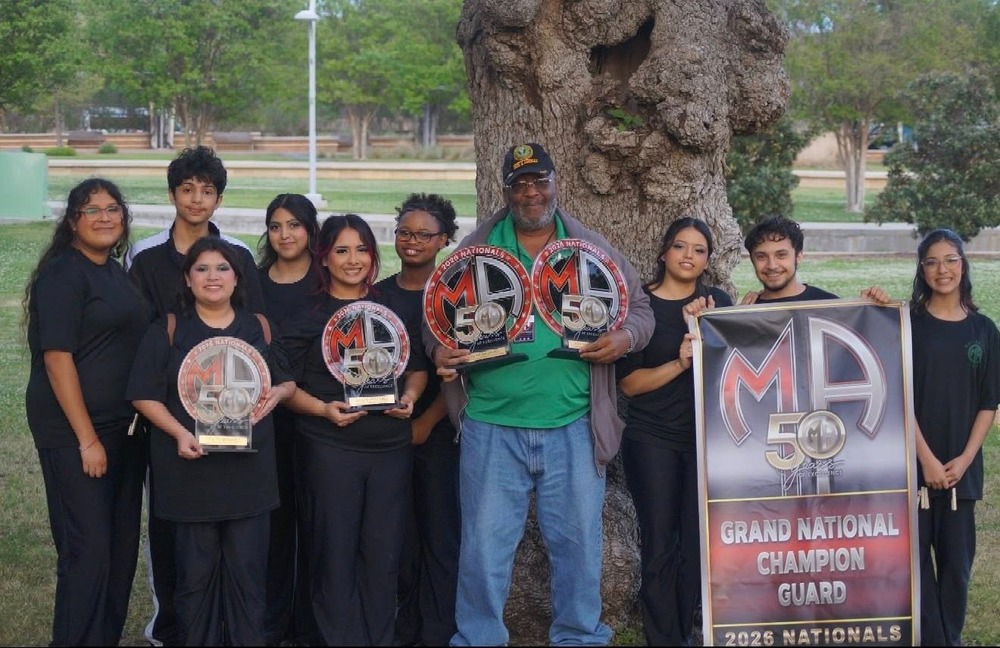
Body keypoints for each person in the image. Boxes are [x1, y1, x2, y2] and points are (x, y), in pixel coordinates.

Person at [428, 142, 654, 646]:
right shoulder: (476, 250)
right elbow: (438, 321)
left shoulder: (590, 247)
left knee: (578, 547)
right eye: (520, 184)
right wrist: (440, 350)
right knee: (484, 552)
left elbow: (639, 310)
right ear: (505, 190)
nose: (531, 192)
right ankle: (479, 639)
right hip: (491, 423)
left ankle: (578, 638)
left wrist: (623, 338)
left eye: (540, 181)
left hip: (573, 423)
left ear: (555, 184)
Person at [127, 145, 265, 646]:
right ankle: (171, 629)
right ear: (172, 194)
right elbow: (137, 337)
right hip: (170, 421)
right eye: (187, 190)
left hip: (233, 417)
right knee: (174, 532)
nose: (196, 200)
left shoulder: (238, 254)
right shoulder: (143, 256)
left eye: (207, 191)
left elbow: (258, 336)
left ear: (219, 198)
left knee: (239, 540)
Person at [127, 237, 295, 646]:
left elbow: (287, 381)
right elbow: (143, 394)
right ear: (187, 278)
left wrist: (279, 394)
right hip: (190, 476)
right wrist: (181, 433)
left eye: (222, 268)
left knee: (248, 580)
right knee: (193, 581)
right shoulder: (168, 328)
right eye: (201, 269)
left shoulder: (259, 326)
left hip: (249, 478)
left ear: (238, 278)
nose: (212, 277)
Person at [281, 214, 428, 645]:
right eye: (341, 251)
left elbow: (416, 369)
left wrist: (412, 399)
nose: (353, 260)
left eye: (361, 249)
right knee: (334, 554)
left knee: (383, 557)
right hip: (330, 449)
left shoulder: (394, 309)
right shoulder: (308, 314)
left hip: (390, 450)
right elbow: (282, 385)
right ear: (323, 258)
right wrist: (323, 409)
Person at [23, 178, 147, 646]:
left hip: (125, 431)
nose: (104, 217)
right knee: (87, 552)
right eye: (91, 210)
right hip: (77, 435)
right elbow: (57, 359)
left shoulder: (115, 272)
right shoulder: (63, 274)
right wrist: (87, 439)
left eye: (112, 208)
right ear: (73, 220)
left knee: (118, 553)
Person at [616, 217, 732, 645]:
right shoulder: (641, 307)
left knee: (697, 546)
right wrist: (680, 361)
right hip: (652, 441)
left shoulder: (717, 302)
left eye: (699, 250)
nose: (688, 256)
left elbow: (739, 367)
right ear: (664, 251)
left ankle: (690, 631)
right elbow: (629, 385)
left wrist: (708, 331)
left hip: (708, 442)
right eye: (681, 247)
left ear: (707, 260)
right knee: (661, 544)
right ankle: (662, 637)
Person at [374, 193, 461, 646]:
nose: (412, 242)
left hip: (439, 431)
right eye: (405, 233)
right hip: (386, 435)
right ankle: (400, 629)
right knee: (399, 538)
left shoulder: (452, 295)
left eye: (424, 235)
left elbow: (465, 372)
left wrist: (426, 422)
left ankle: (438, 632)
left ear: (443, 240)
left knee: (441, 536)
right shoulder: (379, 295)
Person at [909, 229, 999, 646]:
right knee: (916, 568)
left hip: (962, 472)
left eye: (950, 259)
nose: (941, 270)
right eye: (931, 261)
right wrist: (925, 460)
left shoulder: (984, 329)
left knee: (957, 568)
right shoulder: (907, 323)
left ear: (963, 264)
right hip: (913, 469)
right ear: (921, 269)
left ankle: (952, 640)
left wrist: (963, 459)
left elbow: (988, 403)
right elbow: (897, 398)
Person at [255, 193, 321, 645]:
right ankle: (272, 622)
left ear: (311, 231)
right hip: (266, 423)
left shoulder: (327, 282)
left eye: (294, 225)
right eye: (276, 226)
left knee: (317, 524)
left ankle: (312, 624)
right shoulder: (252, 284)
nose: (285, 235)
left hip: (319, 421)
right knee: (274, 528)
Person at [740, 215, 887, 304]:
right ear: (752, 260)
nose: (772, 265)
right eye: (761, 257)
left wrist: (866, 310)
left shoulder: (828, 304)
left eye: (781, 255)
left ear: (799, 256)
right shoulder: (748, 310)